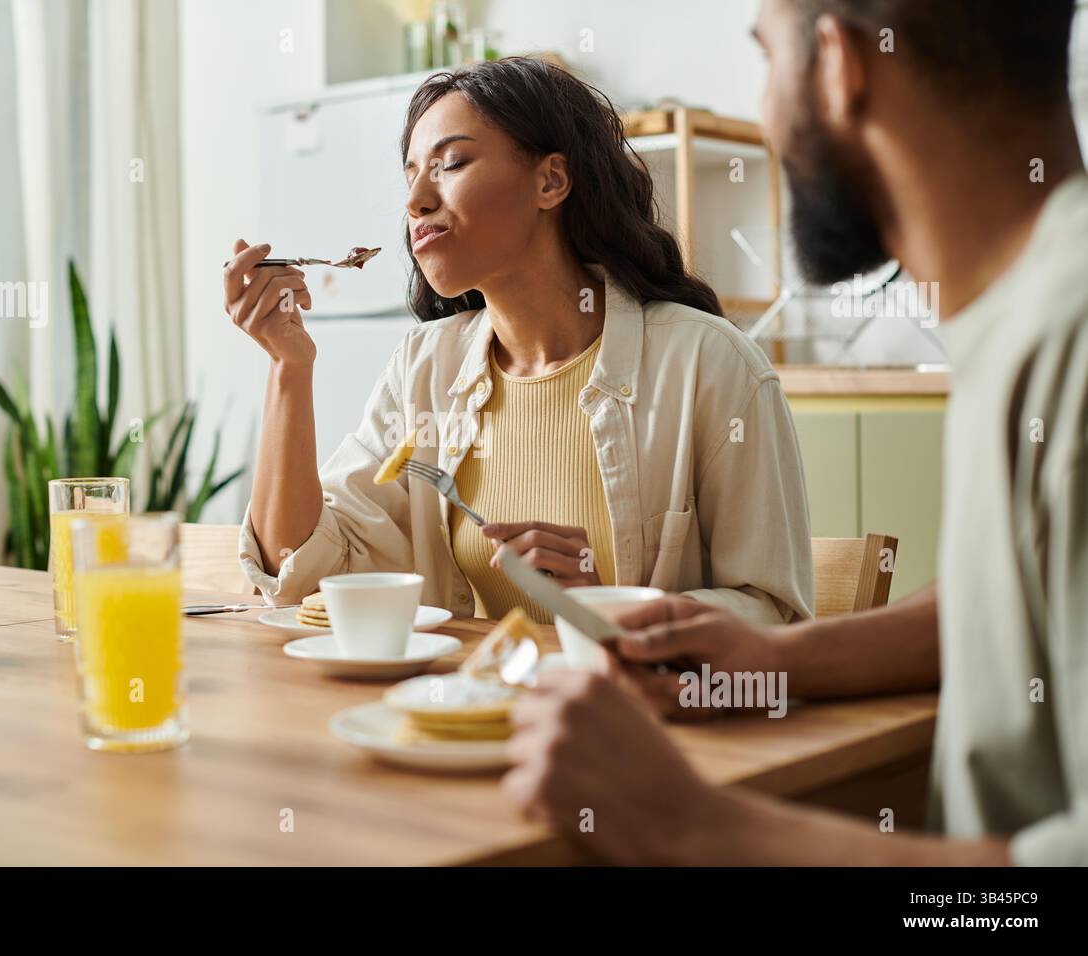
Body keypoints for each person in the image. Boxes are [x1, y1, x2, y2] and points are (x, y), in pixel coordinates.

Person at [505, 0, 1088, 866]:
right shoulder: (1028, 312)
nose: (766, 115)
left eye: (768, 57)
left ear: (839, 65)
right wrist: (778, 660)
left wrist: (702, 829)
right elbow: (1014, 601)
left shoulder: (1070, 340)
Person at [225, 58, 813, 626]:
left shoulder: (709, 364)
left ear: (550, 181)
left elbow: (772, 616)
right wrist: (288, 367)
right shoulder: (424, 367)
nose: (415, 201)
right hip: (466, 714)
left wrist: (611, 610)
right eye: (411, 175)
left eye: (451, 163)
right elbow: (299, 571)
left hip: (638, 723)